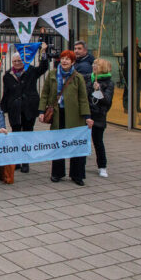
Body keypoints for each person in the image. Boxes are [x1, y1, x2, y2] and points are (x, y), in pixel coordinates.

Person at [39, 50, 92, 186]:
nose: (64, 61)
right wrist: (41, 111)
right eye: (63, 58)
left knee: (75, 145)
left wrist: (87, 116)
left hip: (75, 117)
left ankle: (77, 175)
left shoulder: (77, 77)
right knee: (58, 144)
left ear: (73, 62)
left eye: (68, 59)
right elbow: (45, 94)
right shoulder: (52, 75)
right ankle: (57, 173)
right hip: (57, 114)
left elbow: (83, 98)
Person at [0, 44, 49, 173]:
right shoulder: (7, 75)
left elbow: (44, 68)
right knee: (16, 134)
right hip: (14, 109)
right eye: (15, 61)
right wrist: (3, 108)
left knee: (27, 133)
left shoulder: (31, 70)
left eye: (19, 61)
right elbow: (6, 93)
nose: (17, 63)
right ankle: (16, 160)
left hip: (29, 108)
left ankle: (25, 161)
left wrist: (43, 52)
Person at [88, 58, 114, 178]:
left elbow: (107, 101)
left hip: (98, 116)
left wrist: (98, 90)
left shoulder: (109, 83)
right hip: (87, 114)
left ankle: (102, 166)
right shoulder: (89, 78)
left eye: (97, 65)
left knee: (98, 142)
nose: (94, 66)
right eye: (93, 64)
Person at [123, 39, 141, 113]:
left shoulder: (139, 48)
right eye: (135, 40)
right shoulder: (126, 49)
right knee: (128, 90)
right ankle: (126, 107)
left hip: (138, 73)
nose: (137, 41)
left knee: (137, 91)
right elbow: (135, 58)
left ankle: (137, 107)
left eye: (137, 40)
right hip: (129, 73)